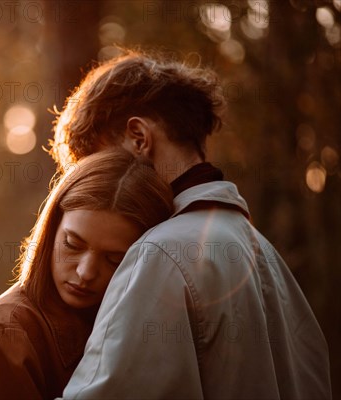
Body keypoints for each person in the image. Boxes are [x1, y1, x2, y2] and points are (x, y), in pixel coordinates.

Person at [51, 49, 332, 399]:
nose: (97, 185)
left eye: (99, 165)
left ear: (139, 138)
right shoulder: (264, 253)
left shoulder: (160, 254)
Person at [0, 149, 173, 399]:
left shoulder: (146, 321)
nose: (85, 273)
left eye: (114, 259)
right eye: (72, 244)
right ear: (52, 229)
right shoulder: (7, 330)